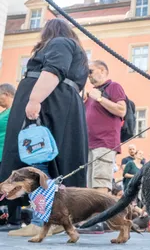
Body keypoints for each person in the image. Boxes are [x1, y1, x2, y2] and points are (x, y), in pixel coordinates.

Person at [0, 18, 89, 237]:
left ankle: (44, 221)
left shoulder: (59, 42)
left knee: (39, 161)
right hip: (56, 105)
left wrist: (34, 100)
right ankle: (47, 219)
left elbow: (53, 71)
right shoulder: (71, 47)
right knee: (45, 161)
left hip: (48, 106)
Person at [85, 60, 127, 194]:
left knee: (100, 184)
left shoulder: (113, 86)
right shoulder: (92, 94)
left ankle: (101, 215)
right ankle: (94, 215)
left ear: (102, 70)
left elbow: (121, 110)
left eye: (90, 71)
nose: (89, 75)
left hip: (104, 143)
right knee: (90, 186)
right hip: (90, 144)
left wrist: (100, 99)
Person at [0, 84, 20, 232]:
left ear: (7, 94)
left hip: (8, 154)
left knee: (11, 186)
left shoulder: (15, 111)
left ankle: (14, 220)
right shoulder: (5, 112)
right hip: (1, 153)